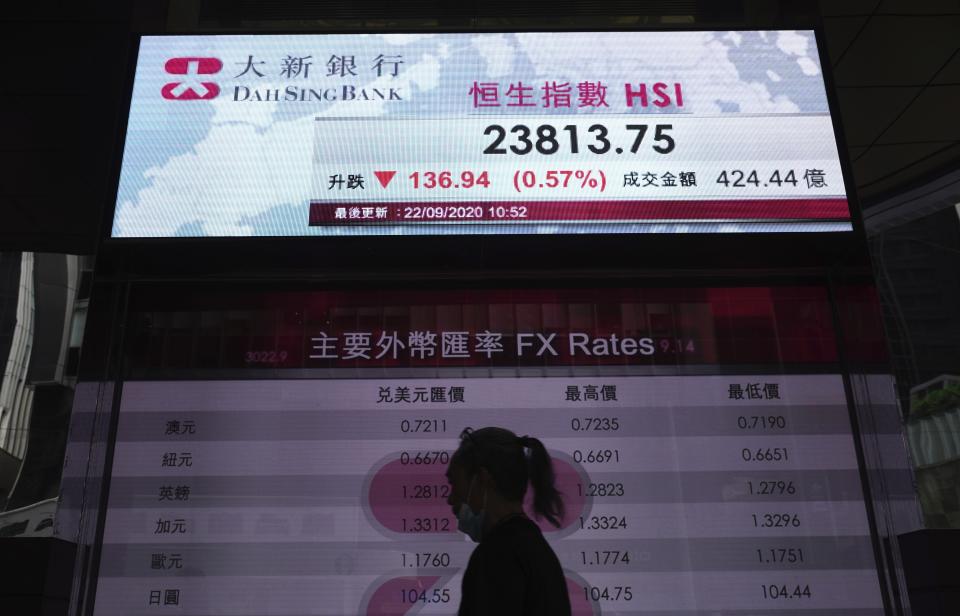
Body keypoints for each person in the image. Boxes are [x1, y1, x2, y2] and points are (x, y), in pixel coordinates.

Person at [445, 426, 571, 616]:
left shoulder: (495, 556)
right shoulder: (537, 550)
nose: (450, 499)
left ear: (482, 479)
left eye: (454, 483)